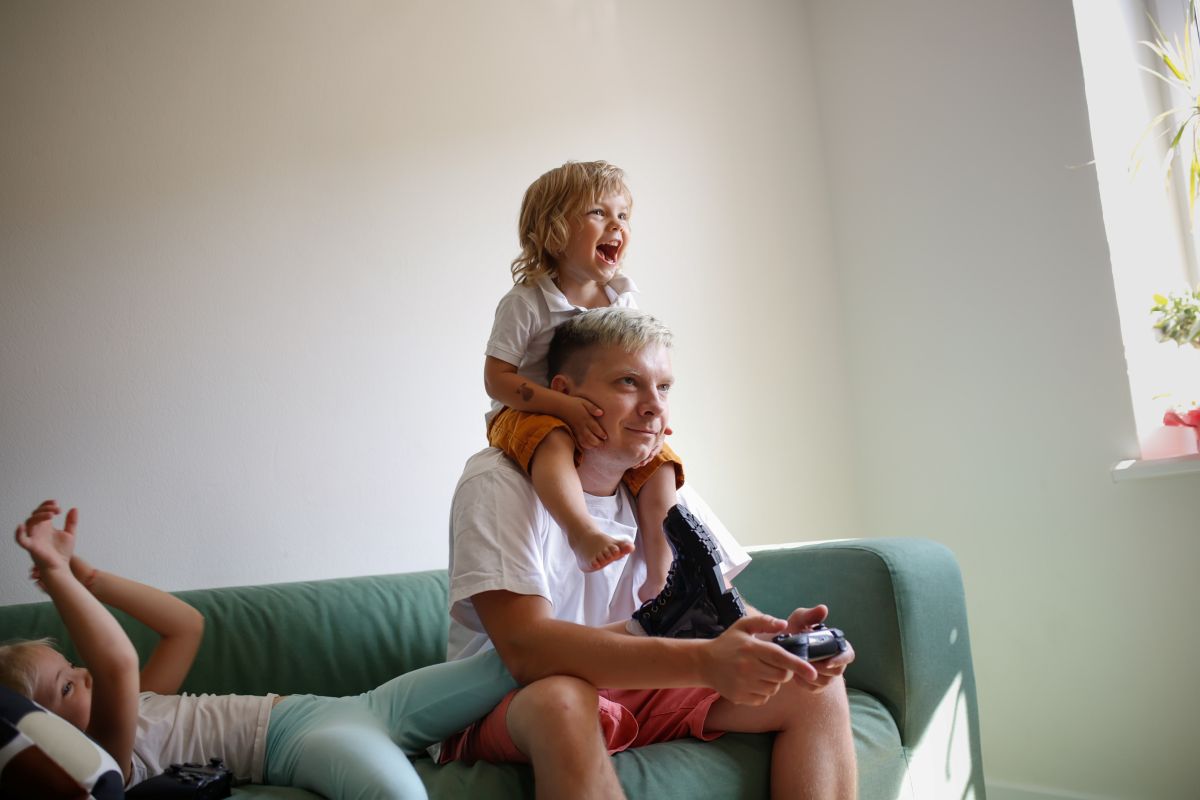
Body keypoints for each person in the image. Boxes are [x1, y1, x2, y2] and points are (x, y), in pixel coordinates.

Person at [442, 307, 859, 799]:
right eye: (628, 383)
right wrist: (704, 662)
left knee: (812, 688)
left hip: (632, 683)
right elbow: (526, 653)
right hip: (507, 699)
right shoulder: (498, 481)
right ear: (564, 393)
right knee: (563, 699)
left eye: (663, 388)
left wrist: (784, 643)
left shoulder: (660, 490)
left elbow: (715, 608)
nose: (653, 406)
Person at [0, 500, 517, 799]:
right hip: (306, 742)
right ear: (45, 733)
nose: (85, 674)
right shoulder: (111, 755)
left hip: (357, 706)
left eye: (74, 666)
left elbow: (186, 627)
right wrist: (57, 576)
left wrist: (90, 577)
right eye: (66, 687)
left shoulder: (143, 702)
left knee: (512, 661)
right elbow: (117, 664)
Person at [483, 160, 679, 599]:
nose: (617, 225)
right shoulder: (527, 302)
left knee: (662, 461)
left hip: (596, 411)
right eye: (598, 213)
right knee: (552, 437)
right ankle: (581, 532)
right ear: (554, 229)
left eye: (622, 215)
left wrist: (650, 419)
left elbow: (637, 369)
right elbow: (497, 380)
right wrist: (563, 408)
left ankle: (662, 574)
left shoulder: (621, 298)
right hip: (527, 412)